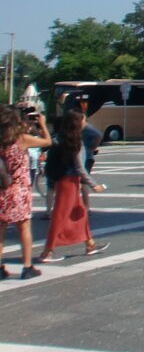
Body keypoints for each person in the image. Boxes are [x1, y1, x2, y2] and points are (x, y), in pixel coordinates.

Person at [38, 110, 109, 263]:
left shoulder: (62, 138)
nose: (85, 123)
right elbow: (80, 168)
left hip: (64, 180)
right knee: (60, 216)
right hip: (69, 182)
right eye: (83, 120)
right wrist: (94, 185)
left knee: (81, 212)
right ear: (78, 123)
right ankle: (47, 251)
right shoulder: (77, 142)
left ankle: (90, 244)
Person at [1, 107, 52, 279]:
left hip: (2, 189)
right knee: (24, 227)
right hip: (19, 190)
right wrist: (42, 124)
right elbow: (47, 142)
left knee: (1, 229)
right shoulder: (21, 139)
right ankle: (27, 266)